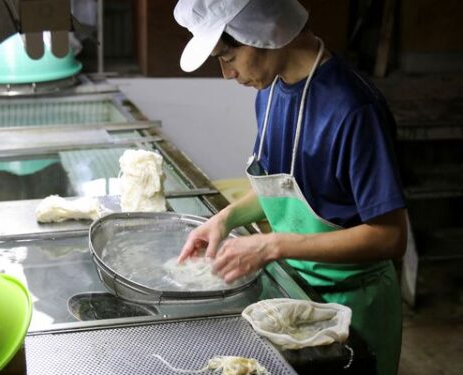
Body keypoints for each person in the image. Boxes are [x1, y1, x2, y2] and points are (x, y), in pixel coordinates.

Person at [173, 1, 407, 374]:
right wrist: (225, 218)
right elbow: (285, 191)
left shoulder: (352, 109)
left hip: (353, 307)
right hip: (297, 291)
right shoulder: (269, 94)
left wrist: (272, 244)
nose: (227, 73)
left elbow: (390, 236)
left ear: (263, 31)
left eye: (228, 55)